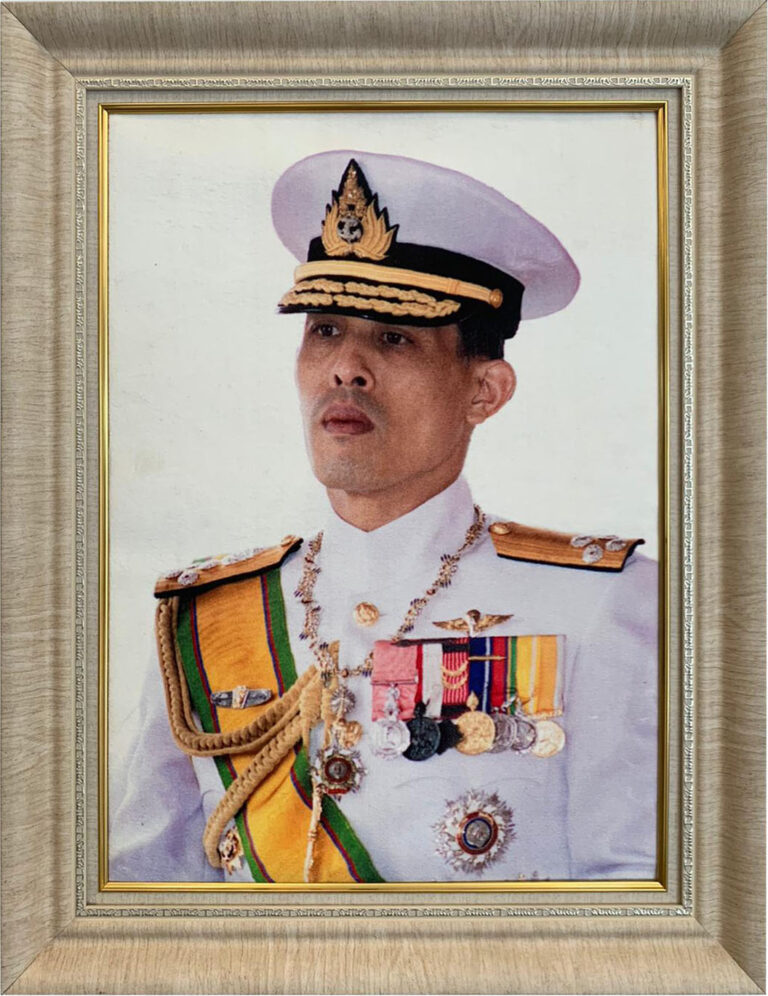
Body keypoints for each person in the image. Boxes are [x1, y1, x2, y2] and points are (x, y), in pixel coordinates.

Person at [110, 150, 658, 885]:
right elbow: (147, 895)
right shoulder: (206, 618)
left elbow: (642, 900)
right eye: (325, 331)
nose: (346, 368)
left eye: (394, 338)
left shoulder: (605, 604)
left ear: (485, 391)